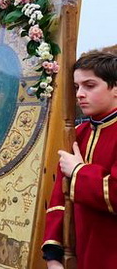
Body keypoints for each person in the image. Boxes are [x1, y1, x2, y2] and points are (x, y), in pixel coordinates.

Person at [42, 51, 117, 268]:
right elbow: (59, 197)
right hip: (80, 256)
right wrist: (53, 256)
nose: (80, 94)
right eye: (77, 87)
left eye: (90, 85)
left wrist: (78, 172)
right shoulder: (78, 133)